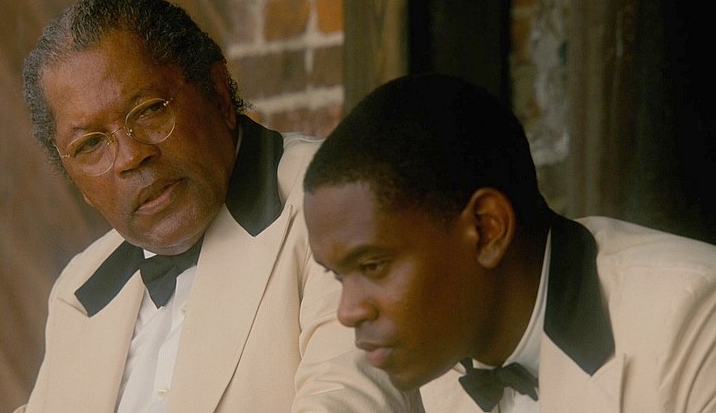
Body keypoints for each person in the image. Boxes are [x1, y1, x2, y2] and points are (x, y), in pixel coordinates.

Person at [15, 0, 422, 413]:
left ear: (219, 94)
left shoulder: (340, 200)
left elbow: (349, 403)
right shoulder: (79, 287)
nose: (131, 157)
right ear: (77, 182)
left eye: (149, 110)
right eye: (90, 145)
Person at [302, 73, 716, 412]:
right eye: (338, 276)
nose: (347, 312)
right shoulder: (442, 366)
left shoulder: (694, 323)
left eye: (373, 265)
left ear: (487, 229)